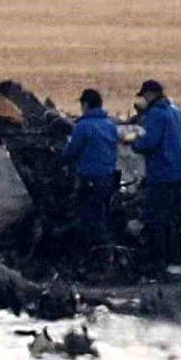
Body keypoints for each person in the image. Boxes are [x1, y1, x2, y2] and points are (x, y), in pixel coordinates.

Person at [129, 79, 181, 267]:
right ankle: (174, 261)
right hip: (179, 173)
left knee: (155, 219)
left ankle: (159, 262)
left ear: (151, 94)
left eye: (145, 95)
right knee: (170, 220)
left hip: (162, 173)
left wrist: (133, 143)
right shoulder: (175, 111)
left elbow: (149, 142)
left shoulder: (155, 114)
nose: (145, 99)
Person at [61, 88, 118, 258]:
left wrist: (61, 160)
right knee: (104, 217)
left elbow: (70, 152)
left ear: (85, 104)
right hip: (109, 179)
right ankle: (110, 255)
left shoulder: (83, 126)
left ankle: (101, 259)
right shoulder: (110, 125)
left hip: (90, 180)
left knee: (90, 221)